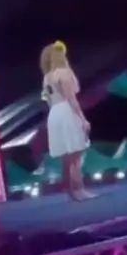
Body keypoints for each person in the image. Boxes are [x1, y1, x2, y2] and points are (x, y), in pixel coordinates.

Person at [40, 41, 94, 201]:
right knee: (76, 154)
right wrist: (83, 119)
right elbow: (71, 98)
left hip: (54, 113)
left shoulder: (47, 77)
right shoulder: (64, 73)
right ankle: (79, 190)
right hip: (66, 110)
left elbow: (48, 99)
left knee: (66, 157)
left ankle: (71, 190)